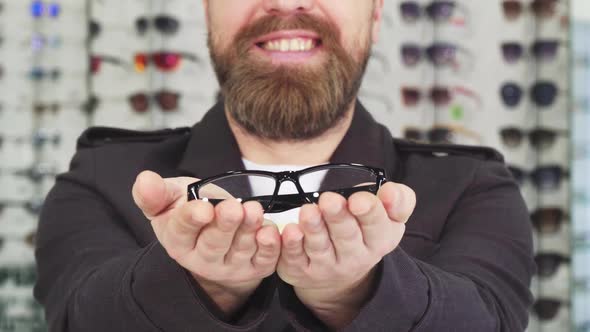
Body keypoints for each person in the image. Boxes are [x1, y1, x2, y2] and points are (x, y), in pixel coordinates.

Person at [33, 1, 535, 331]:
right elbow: (79, 319)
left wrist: (357, 292)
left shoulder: (473, 188)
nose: (288, 2)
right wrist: (198, 285)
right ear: (207, 9)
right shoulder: (101, 181)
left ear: (376, 12)